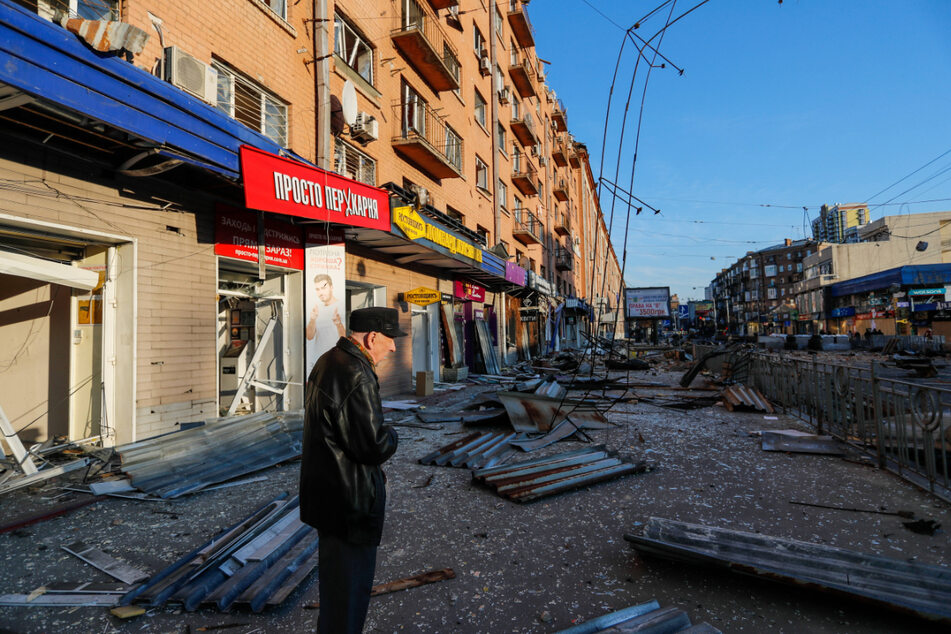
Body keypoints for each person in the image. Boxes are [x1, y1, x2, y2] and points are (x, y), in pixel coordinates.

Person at [300, 307, 406, 633]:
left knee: (336, 593)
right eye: (390, 340)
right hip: (351, 502)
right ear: (372, 337)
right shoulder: (357, 372)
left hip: (328, 497)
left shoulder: (327, 361)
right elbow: (372, 445)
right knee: (349, 598)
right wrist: (393, 435)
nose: (393, 348)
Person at [305, 273, 346, 371]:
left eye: (323, 288)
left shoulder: (340, 306)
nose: (320, 293)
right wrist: (312, 319)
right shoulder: (317, 308)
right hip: (318, 361)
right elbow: (309, 336)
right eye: (318, 289)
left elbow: (344, 339)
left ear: (331, 287)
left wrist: (338, 324)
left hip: (336, 360)